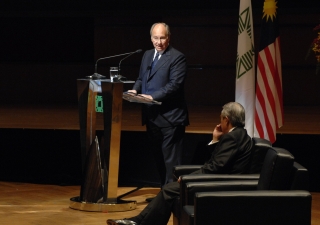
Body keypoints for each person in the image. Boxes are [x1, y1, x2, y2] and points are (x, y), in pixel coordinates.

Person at [107, 102, 254, 225]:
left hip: (222, 185)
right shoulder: (240, 135)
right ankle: (138, 222)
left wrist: (188, 178)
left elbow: (215, 167)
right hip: (220, 180)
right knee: (171, 190)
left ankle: (137, 222)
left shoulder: (232, 138)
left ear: (226, 120)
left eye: (221, 119)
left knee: (169, 190)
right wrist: (215, 140)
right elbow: (218, 162)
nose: (220, 122)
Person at [127, 22, 189, 187]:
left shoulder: (177, 57)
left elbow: (174, 85)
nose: (159, 42)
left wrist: (151, 96)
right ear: (151, 38)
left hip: (171, 118)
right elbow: (141, 79)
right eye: (156, 38)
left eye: (162, 38)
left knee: (171, 163)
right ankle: (163, 195)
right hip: (152, 117)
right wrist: (134, 91)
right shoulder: (147, 55)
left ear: (168, 38)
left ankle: (171, 197)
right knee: (159, 160)